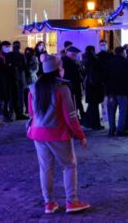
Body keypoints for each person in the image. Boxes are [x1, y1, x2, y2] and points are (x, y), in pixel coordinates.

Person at [27, 54, 91, 214]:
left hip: (38, 134)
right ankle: (71, 201)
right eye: (61, 67)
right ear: (57, 70)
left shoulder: (34, 88)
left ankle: (49, 203)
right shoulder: (62, 89)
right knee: (69, 165)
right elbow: (71, 116)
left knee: (46, 169)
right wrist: (80, 135)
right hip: (57, 133)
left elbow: (31, 113)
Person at [105, 46, 128, 136]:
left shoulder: (109, 63)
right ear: (122, 52)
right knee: (122, 110)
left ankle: (111, 129)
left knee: (111, 111)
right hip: (122, 91)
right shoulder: (126, 63)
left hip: (111, 92)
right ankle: (120, 129)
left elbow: (105, 78)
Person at [82, 46, 105, 130]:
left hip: (89, 83)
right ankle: (94, 124)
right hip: (95, 84)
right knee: (94, 105)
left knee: (92, 105)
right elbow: (100, 69)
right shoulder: (94, 59)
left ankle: (89, 122)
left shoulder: (85, 58)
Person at [6, 41, 29, 121]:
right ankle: (19, 113)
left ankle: (11, 113)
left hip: (11, 78)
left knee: (12, 96)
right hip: (19, 78)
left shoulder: (8, 55)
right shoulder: (21, 55)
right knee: (20, 96)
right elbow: (25, 67)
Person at [62, 46, 85, 120]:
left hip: (75, 84)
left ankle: (78, 117)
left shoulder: (73, 61)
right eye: (74, 54)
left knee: (77, 101)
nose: (75, 56)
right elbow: (70, 74)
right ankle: (75, 118)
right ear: (69, 53)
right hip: (71, 85)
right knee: (73, 102)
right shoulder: (66, 61)